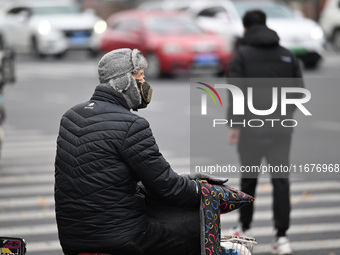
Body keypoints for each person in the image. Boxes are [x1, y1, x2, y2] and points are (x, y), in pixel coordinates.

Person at [54, 48, 202, 255]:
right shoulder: (132, 125)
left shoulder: (71, 116)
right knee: (194, 232)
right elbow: (166, 186)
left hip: (72, 239)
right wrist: (202, 193)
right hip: (121, 238)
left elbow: (102, 175)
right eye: (140, 77)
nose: (145, 85)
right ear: (123, 82)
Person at [226, 10, 303, 255]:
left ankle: (244, 228)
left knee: (249, 179)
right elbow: (298, 91)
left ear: (246, 28)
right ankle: (282, 237)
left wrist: (235, 125)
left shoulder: (242, 55)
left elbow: (235, 92)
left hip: (250, 129)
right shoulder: (287, 55)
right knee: (281, 181)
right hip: (281, 130)